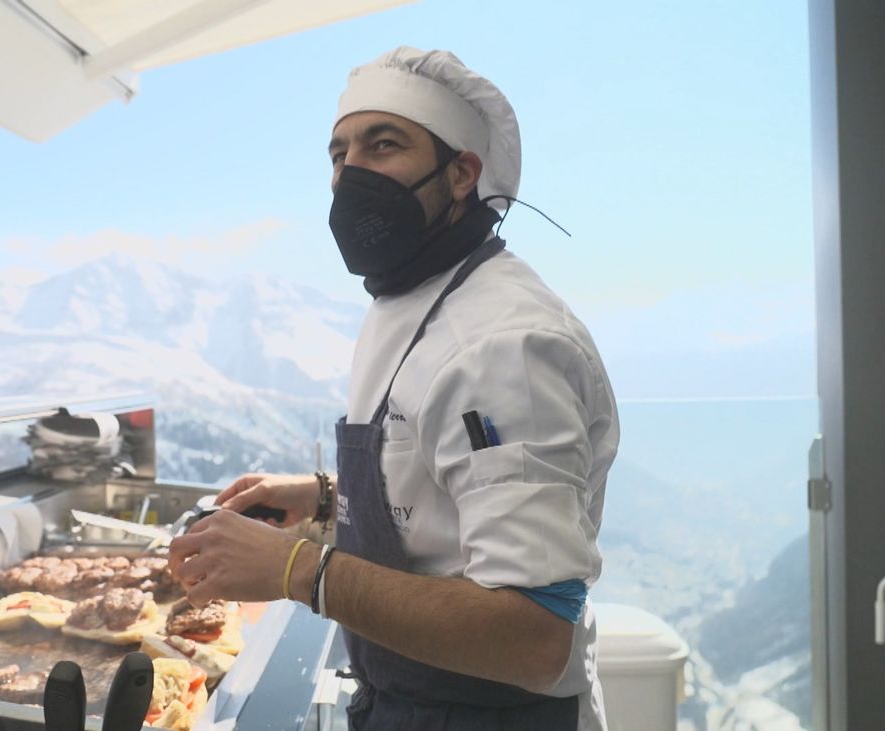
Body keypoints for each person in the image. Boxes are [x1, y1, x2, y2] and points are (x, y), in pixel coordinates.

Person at [167, 47, 619, 730]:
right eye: (339, 153)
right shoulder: (414, 298)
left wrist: (300, 570)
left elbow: (533, 635)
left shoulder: (503, 344)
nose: (351, 173)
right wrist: (327, 499)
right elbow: (441, 489)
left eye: (383, 145)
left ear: (462, 173)